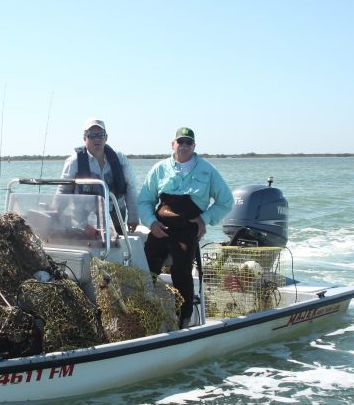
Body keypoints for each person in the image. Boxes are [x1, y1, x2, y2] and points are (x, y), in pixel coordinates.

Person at [138, 126, 233, 328]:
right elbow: (144, 201)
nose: (184, 145)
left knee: (181, 271)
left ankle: (184, 317)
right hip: (160, 228)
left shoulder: (208, 170)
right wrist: (151, 223)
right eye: (180, 142)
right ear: (173, 144)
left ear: (194, 146)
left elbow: (226, 202)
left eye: (188, 142)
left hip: (186, 230)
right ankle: (143, 314)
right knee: (147, 267)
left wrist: (204, 219)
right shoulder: (159, 169)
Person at [57, 118, 139, 235]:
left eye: (100, 135)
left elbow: (131, 188)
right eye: (91, 135)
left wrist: (134, 217)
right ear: (84, 138)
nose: (97, 139)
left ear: (106, 137)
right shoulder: (73, 162)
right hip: (85, 223)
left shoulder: (120, 159)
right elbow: (62, 193)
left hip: (116, 219)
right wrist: (57, 215)